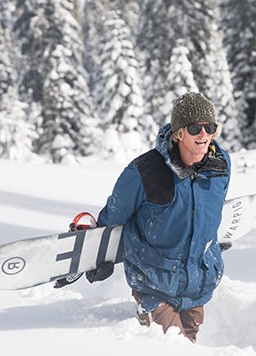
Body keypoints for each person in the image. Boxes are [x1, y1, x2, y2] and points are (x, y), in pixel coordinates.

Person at [96, 92, 230, 342]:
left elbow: (210, 209)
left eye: (209, 127)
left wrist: (209, 243)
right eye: (194, 128)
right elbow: (113, 216)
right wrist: (95, 253)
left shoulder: (220, 167)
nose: (204, 135)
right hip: (154, 283)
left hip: (198, 285)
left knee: (189, 343)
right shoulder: (145, 171)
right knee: (172, 347)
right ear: (179, 132)